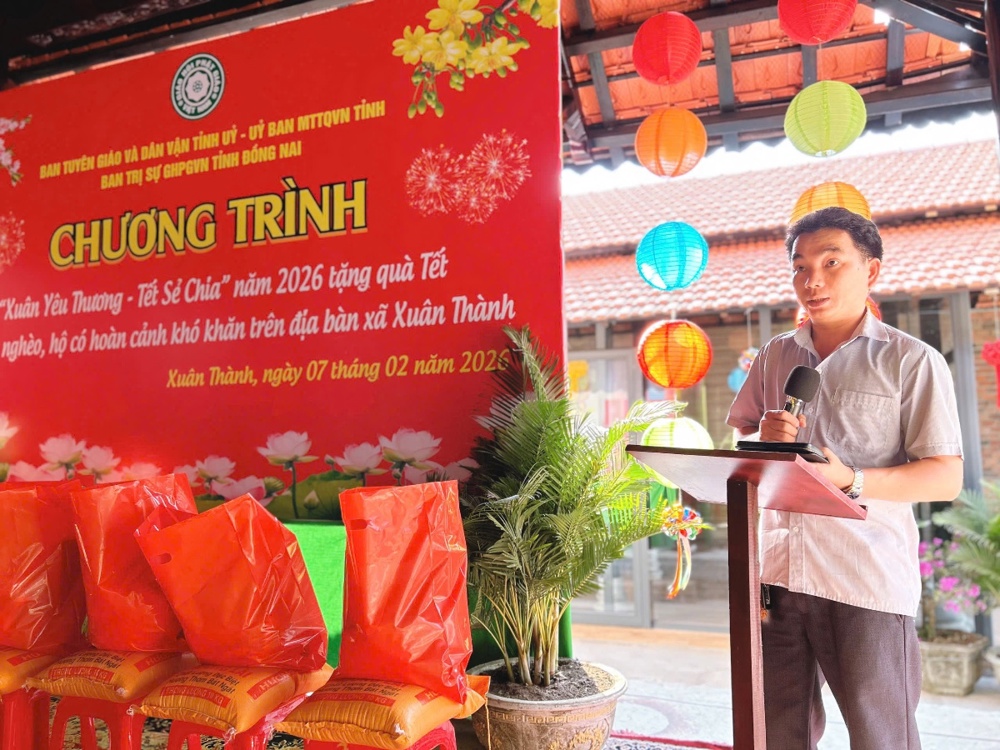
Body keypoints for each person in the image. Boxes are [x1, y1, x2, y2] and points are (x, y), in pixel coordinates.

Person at [726, 207, 964, 750]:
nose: (812, 280)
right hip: (777, 576)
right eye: (800, 266)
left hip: (864, 578)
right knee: (774, 735)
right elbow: (739, 441)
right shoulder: (775, 355)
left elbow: (944, 477)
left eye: (831, 262)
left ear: (871, 270)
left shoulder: (911, 361)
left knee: (882, 738)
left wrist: (849, 479)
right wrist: (762, 438)